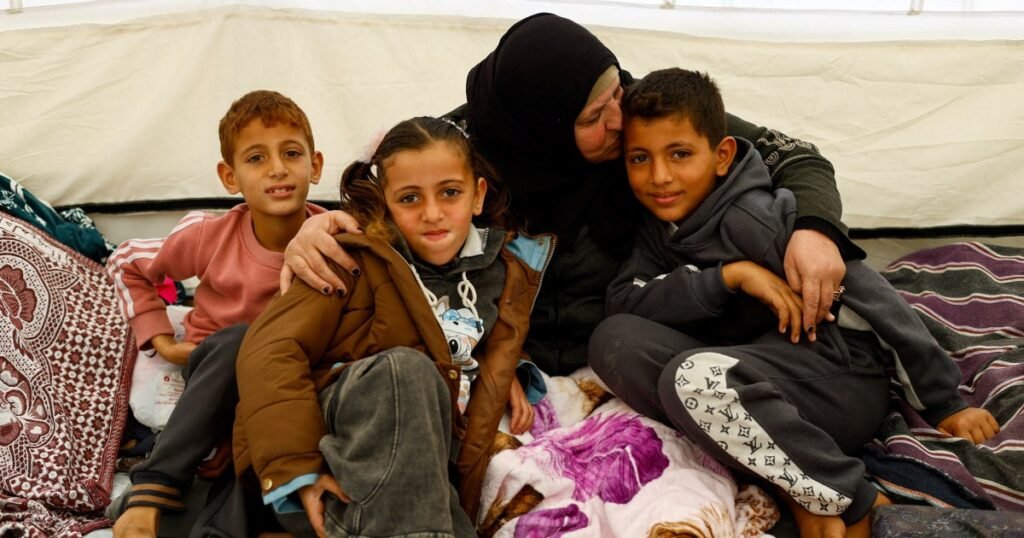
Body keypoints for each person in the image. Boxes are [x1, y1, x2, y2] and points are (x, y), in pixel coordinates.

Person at [279, 13, 860, 376]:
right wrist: (322, 223)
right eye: (591, 117)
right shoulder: (470, 139)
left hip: (635, 349)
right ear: (542, 130)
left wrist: (815, 229)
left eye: (616, 91)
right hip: (504, 364)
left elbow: (795, 155)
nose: (618, 121)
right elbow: (386, 189)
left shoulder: (645, 114)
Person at [588, 68, 1000, 538]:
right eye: (640, 158)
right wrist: (729, 279)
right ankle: (789, 483)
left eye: (679, 154)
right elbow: (625, 301)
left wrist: (944, 402)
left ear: (722, 156)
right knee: (613, 342)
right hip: (752, 371)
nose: (659, 176)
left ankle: (855, 498)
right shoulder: (660, 225)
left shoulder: (757, 222)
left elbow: (873, 298)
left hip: (837, 379)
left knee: (695, 379)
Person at [232, 116, 546, 536]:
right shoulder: (348, 259)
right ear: (385, 202)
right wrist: (298, 470)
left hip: (424, 473)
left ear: (478, 196)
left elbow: (472, 335)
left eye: (450, 192)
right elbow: (268, 350)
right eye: (410, 198)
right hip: (329, 466)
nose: (432, 214)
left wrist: (502, 370)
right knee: (407, 371)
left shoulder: (501, 271)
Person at [106, 89, 327, 537]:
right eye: (256, 158)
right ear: (230, 176)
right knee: (243, 340)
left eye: (291, 153)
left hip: (281, 392)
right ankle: (153, 486)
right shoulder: (209, 235)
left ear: (315, 165)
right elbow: (126, 260)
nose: (277, 168)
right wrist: (162, 340)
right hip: (215, 373)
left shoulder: (331, 242)